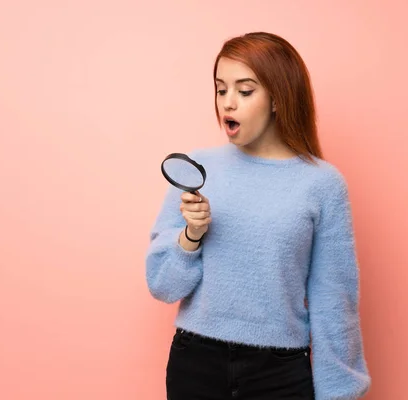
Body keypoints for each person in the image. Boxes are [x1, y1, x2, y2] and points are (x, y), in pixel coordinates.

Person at [145, 32, 371, 400]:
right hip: (196, 365)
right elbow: (162, 285)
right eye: (221, 90)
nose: (228, 104)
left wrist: (340, 392)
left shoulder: (322, 184)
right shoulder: (198, 169)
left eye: (244, 91)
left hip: (279, 374)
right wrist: (192, 236)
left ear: (278, 99)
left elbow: (334, 300)